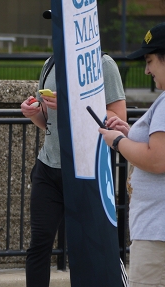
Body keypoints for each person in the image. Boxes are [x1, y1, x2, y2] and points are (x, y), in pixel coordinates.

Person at [20, 11, 127, 287]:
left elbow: (119, 122)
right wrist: (32, 113)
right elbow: (48, 123)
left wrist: (70, 106)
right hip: (48, 168)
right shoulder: (50, 63)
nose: (57, 27)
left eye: (63, 20)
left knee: (92, 243)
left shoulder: (103, 65)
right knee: (38, 245)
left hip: (85, 169)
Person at [98, 22, 165, 287]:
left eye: (150, 61)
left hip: (156, 234)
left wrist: (118, 142)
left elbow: (158, 159)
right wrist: (129, 134)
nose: (147, 69)